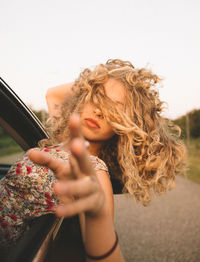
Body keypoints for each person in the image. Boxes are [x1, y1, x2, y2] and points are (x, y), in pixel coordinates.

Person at [0, 59, 185, 260]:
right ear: (84, 97)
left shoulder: (95, 172)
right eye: (98, 97)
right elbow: (53, 93)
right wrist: (107, 75)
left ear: (124, 125)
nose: (98, 111)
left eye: (115, 108)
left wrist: (98, 217)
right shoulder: (57, 142)